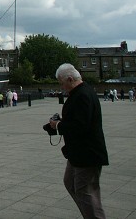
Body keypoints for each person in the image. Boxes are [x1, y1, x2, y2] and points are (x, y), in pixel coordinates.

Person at [48, 63, 108, 219]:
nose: (61, 87)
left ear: (69, 79)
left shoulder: (82, 95)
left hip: (86, 154)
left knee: (84, 190)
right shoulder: (80, 92)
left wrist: (59, 125)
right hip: (78, 153)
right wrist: (60, 122)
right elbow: (79, 119)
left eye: (62, 83)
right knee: (71, 183)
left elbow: (81, 125)